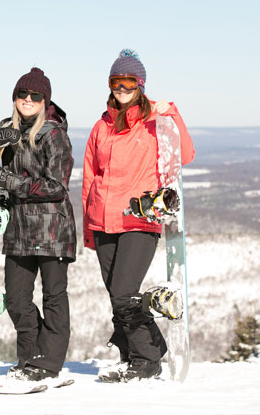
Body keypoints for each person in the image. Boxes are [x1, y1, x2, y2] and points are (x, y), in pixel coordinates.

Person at [82, 49, 195, 382]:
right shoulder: (101, 126)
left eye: (128, 80)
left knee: (123, 291)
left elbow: (184, 154)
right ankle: (135, 353)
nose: (122, 87)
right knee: (117, 296)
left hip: (139, 219)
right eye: (116, 81)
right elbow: (90, 177)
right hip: (103, 220)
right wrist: (88, 227)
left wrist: (172, 114)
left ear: (140, 84)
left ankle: (147, 360)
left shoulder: (155, 123)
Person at [0, 67, 77, 381]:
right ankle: (30, 356)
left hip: (52, 228)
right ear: (14, 97)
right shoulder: (7, 128)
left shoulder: (53, 133)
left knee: (53, 296)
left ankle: (47, 361)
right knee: (16, 300)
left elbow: (57, 186)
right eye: (22, 94)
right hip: (18, 228)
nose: (27, 100)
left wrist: (12, 182)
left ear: (45, 100)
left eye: (35, 95)